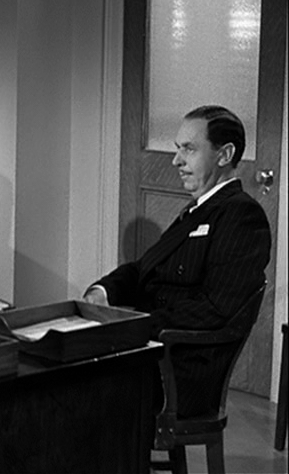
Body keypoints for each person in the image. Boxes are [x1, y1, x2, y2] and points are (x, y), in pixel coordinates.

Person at [83, 105, 271, 418]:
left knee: (64, 387)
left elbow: (216, 308)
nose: (176, 160)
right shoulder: (197, 211)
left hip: (178, 368)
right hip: (152, 352)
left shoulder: (241, 215)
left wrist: (134, 325)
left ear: (224, 155)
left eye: (189, 149)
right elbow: (144, 269)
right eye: (177, 148)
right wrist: (103, 292)